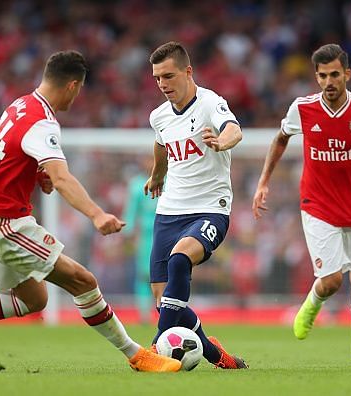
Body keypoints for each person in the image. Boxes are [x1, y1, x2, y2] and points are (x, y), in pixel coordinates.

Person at [0, 50, 181, 373]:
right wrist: (97, 214)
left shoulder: (20, 105)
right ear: (72, 86)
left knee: (33, 299)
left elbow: (8, 155)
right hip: (4, 222)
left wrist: (37, 175)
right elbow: (62, 177)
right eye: (79, 90)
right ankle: (137, 355)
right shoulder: (43, 123)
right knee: (83, 281)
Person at [252, 44, 351, 364]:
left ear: (347, 74)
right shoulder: (303, 108)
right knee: (333, 280)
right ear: (316, 77)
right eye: (322, 76)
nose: (328, 82)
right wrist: (263, 181)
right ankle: (311, 305)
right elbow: (281, 138)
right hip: (317, 205)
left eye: (335, 74)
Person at [144, 41, 247, 369]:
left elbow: (234, 129)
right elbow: (161, 144)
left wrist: (222, 142)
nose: (163, 85)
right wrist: (157, 174)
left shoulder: (210, 103)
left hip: (209, 208)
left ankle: (153, 347)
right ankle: (218, 356)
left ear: (188, 72)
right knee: (165, 303)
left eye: (169, 76)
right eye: (157, 78)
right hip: (169, 211)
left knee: (179, 260)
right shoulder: (159, 116)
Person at [122, 155, 157, 324]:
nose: (149, 162)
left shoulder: (169, 181)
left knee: (170, 272)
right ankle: (144, 313)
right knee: (145, 275)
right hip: (146, 236)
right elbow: (131, 211)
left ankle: (168, 311)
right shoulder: (137, 185)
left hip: (168, 232)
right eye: (147, 159)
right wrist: (127, 233)